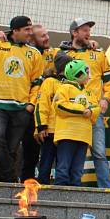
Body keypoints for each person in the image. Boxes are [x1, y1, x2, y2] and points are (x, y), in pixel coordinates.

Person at [0, 16, 45, 183]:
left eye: (30, 29)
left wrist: (31, 104)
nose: (30, 33)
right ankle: (11, 180)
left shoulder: (33, 53)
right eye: (26, 29)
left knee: (11, 150)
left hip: (21, 109)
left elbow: (37, 82)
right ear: (15, 30)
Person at [59, 18, 110, 188]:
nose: (88, 33)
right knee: (70, 151)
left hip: (93, 111)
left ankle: (106, 189)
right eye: (84, 30)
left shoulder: (99, 53)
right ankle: (65, 186)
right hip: (71, 114)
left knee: (99, 152)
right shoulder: (64, 55)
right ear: (74, 33)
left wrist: (106, 99)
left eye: (88, 30)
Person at [19, 24, 57, 181]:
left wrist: (91, 44)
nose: (47, 38)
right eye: (42, 36)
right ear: (32, 39)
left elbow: (70, 52)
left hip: (47, 110)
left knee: (46, 151)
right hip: (28, 107)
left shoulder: (53, 53)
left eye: (47, 34)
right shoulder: (25, 53)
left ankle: (38, 183)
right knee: (28, 150)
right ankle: (24, 183)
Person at [53, 59, 98, 186]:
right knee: (63, 168)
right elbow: (59, 105)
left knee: (77, 170)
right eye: (86, 72)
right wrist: (82, 110)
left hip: (83, 136)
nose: (89, 76)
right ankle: (59, 194)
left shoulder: (88, 92)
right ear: (78, 73)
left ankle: (75, 192)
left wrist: (91, 112)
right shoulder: (64, 88)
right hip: (67, 135)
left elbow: (96, 107)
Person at [34, 54, 72, 184]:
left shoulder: (73, 84)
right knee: (45, 163)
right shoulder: (49, 82)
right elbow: (41, 104)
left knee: (63, 165)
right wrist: (41, 126)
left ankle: (61, 192)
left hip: (66, 132)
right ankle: (42, 190)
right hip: (50, 131)